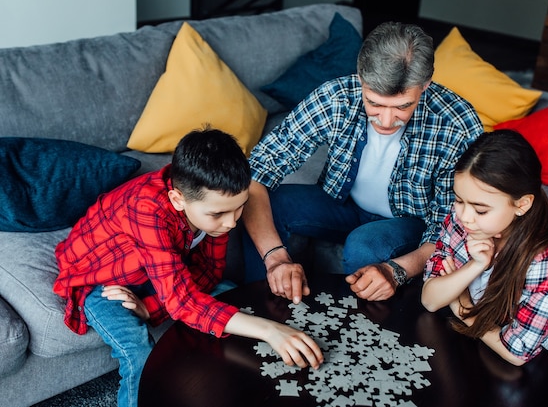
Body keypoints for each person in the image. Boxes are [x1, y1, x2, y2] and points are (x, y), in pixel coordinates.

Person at [53, 128, 324, 407]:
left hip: (160, 269)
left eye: (239, 208)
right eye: (218, 214)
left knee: (236, 299)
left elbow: (209, 274)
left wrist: (152, 306)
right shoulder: (147, 209)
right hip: (102, 279)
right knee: (138, 354)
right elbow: (183, 302)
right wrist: (269, 330)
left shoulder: (214, 209)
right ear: (177, 200)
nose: (231, 223)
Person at [243, 21, 483, 303]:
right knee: (267, 201)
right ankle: (258, 305)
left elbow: (452, 224)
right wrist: (275, 259)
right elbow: (258, 170)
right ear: (361, 79)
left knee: (364, 245)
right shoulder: (336, 97)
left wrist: (397, 270)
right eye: (375, 104)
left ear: (425, 86)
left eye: (402, 106)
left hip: (408, 222)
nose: (385, 121)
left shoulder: (457, 123)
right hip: (341, 204)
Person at [421, 130, 548, 365]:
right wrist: (475, 265)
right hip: (467, 344)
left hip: (533, 371)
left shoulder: (547, 254)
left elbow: (517, 352)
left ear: (522, 205)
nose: (465, 216)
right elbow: (430, 299)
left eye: (481, 210)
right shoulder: (462, 218)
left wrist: (463, 306)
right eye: (459, 200)